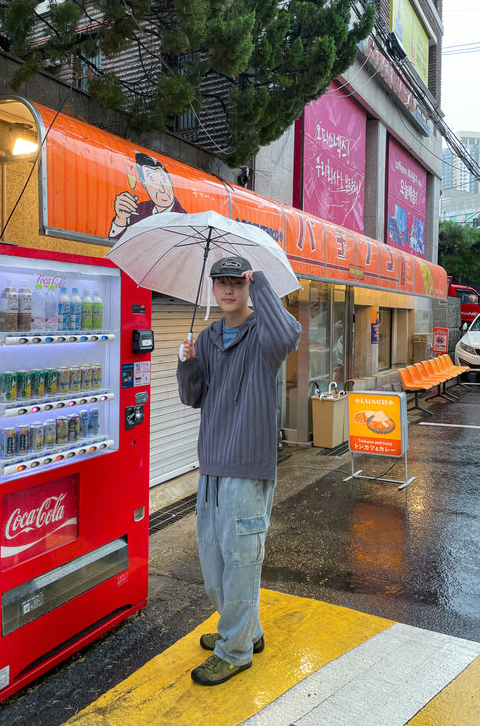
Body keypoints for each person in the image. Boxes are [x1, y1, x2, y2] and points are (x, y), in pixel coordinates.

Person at [177, 255, 302, 686]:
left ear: (246, 286)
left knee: (241, 559)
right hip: (212, 461)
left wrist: (263, 283)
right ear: (212, 289)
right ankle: (247, 630)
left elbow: (291, 334)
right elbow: (193, 397)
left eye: (236, 282)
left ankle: (235, 650)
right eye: (221, 283)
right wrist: (188, 362)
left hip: (248, 464)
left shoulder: (264, 333)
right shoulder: (210, 336)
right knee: (213, 559)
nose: (228, 290)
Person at [108, 152, 186, 238]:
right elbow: (117, 246)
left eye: (163, 179)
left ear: (170, 182)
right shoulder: (138, 211)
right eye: (152, 180)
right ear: (144, 184)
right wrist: (120, 220)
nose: (162, 189)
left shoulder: (184, 221)